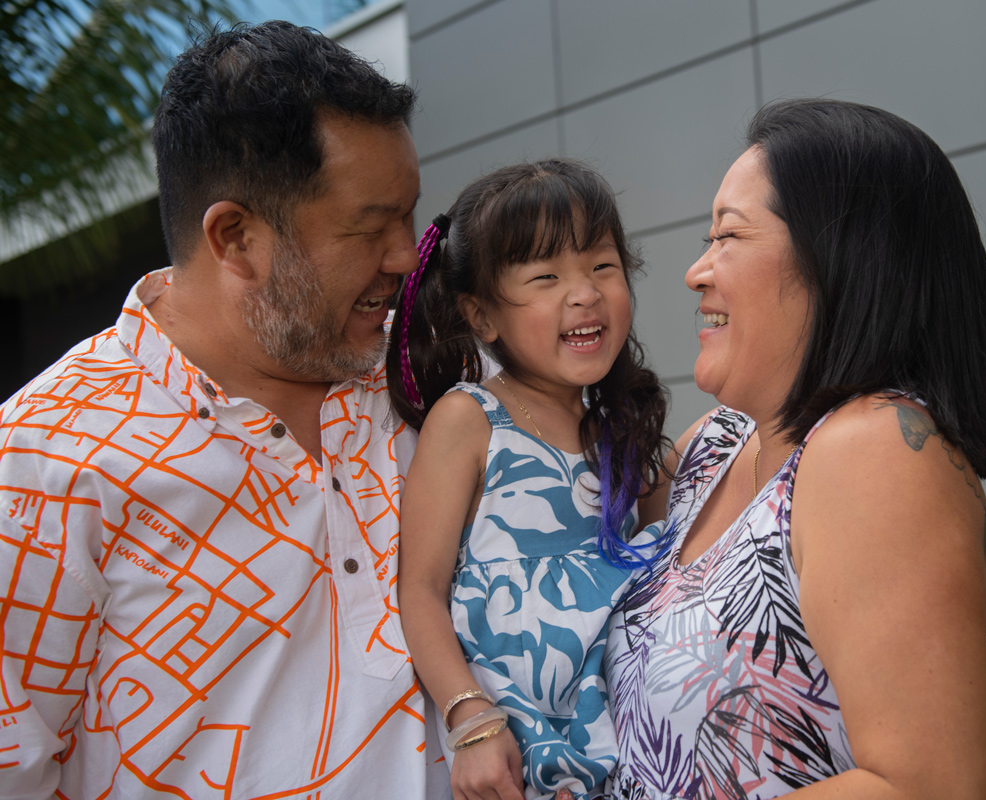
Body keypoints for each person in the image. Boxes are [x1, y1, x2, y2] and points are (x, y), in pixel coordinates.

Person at [0, 21, 450, 798]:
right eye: (369, 227)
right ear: (235, 237)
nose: (406, 256)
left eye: (408, 215)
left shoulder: (430, 381)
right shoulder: (43, 463)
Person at [604, 98, 986, 800]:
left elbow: (931, 786)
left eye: (728, 236)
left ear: (838, 259)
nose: (696, 271)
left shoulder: (876, 449)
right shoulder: (716, 445)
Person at [390, 159, 670, 800]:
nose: (584, 293)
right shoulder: (469, 419)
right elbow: (421, 589)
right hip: (515, 753)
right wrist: (470, 719)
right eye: (546, 277)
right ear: (482, 316)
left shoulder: (627, 433)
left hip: (631, 750)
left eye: (602, 266)